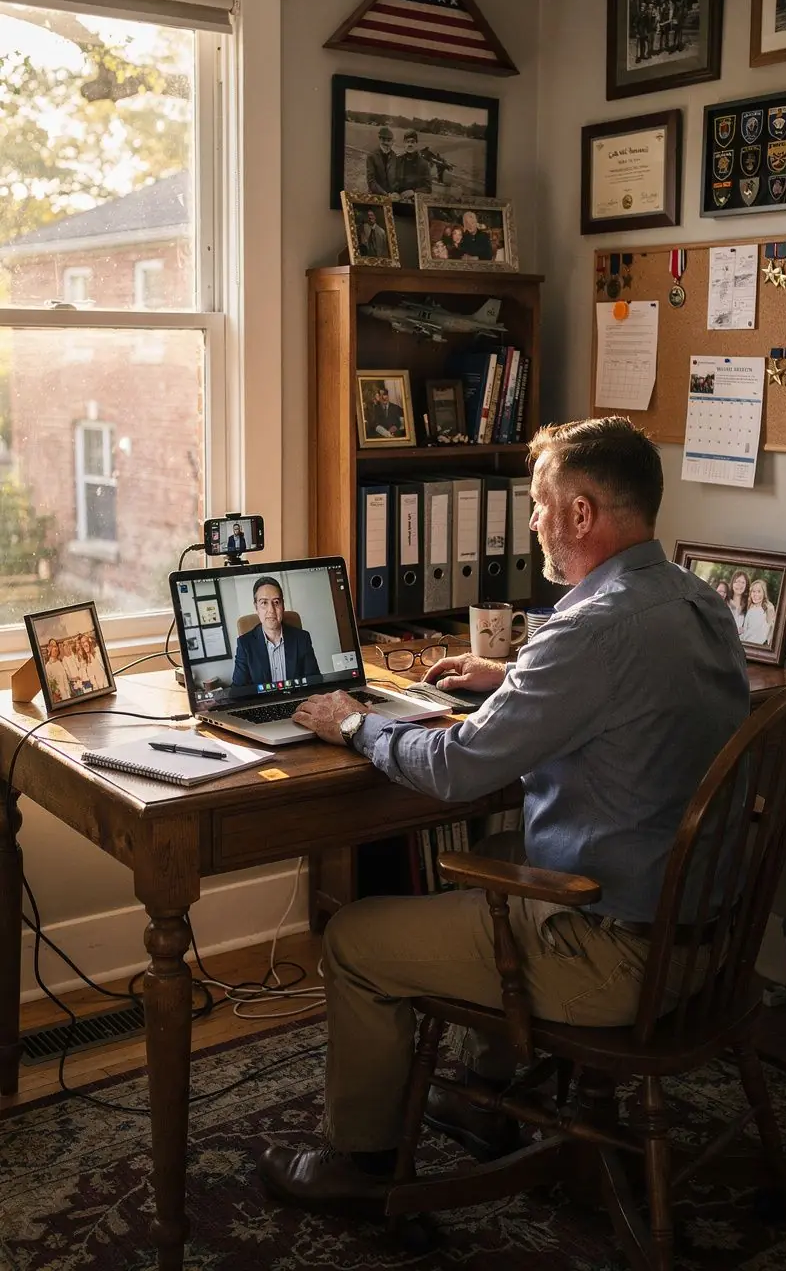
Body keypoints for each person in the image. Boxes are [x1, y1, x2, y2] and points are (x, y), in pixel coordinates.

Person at [257, 415, 749, 1211]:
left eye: (539, 504)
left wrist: (349, 721)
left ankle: (362, 1167)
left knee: (353, 940)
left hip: (619, 961)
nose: (530, 524)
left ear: (581, 514)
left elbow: (454, 768)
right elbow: (622, 691)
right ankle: (482, 1094)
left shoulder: (588, 630)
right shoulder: (698, 600)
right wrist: (509, 674)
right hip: (707, 938)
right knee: (509, 840)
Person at [231, 577, 319, 687]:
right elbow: (238, 689)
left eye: (276, 602)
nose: (271, 610)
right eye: (264, 603)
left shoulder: (302, 638)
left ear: (283, 606)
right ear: (256, 607)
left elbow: (314, 682)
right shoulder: (245, 644)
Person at [395, 130, 432, 199]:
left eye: (412, 142)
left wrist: (413, 192)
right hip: (397, 200)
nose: (410, 144)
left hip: (414, 203)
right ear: (404, 143)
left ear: (416, 144)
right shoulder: (397, 160)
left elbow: (428, 188)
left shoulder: (423, 164)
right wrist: (393, 192)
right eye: (407, 142)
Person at [365, 126, 398, 197]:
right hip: (376, 195)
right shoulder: (372, 156)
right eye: (383, 139)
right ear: (379, 140)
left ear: (392, 142)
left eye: (388, 140)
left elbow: (396, 179)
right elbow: (371, 181)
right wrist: (384, 193)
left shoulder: (394, 156)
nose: (386, 143)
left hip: (391, 196)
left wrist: (395, 192)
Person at [742, 579, 775, 647]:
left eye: (759, 591)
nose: (756, 594)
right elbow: (745, 630)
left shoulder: (768, 609)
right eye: (753, 591)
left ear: (764, 593)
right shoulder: (750, 609)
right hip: (746, 644)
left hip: (759, 646)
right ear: (750, 593)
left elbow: (772, 629)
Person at [42, 639, 71, 704]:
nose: (55, 648)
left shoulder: (60, 662)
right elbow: (50, 685)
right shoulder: (48, 666)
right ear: (49, 649)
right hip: (59, 699)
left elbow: (65, 679)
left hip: (67, 696)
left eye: (56, 646)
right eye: (52, 646)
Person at [727, 570, 749, 636]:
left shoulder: (747, 605)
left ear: (746, 586)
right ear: (732, 583)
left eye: (743, 582)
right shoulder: (726, 601)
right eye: (737, 581)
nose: (739, 585)